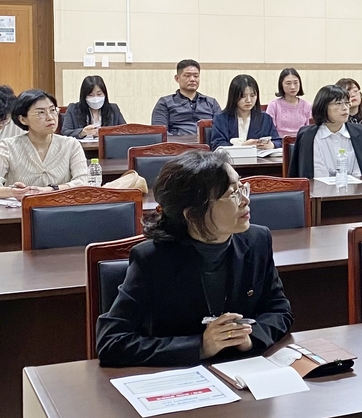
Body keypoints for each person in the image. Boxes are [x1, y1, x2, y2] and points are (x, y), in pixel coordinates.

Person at [96, 150, 293, 367]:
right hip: (183, 378)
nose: (245, 200)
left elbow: (279, 309)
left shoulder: (257, 240)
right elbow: (111, 342)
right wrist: (200, 346)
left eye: (242, 188)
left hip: (242, 373)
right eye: (232, 194)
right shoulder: (152, 259)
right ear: (192, 214)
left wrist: (250, 338)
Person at [0, 89, 88, 200]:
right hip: (21, 213)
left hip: (62, 211)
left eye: (52, 110)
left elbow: (82, 182)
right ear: (23, 119)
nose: (50, 117)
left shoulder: (71, 145)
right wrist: (12, 192)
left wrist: (51, 190)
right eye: (41, 112)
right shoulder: (7, 147)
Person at [288, 85, 362, 179]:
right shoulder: (307, 136)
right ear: (323, 107)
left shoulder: (361, 133)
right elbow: (313, 176)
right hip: (318, 191)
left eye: (346, 103)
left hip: (358, 191)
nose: (345, 108)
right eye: (338, 103)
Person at [151, 59, 222, 135]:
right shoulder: (165, 102)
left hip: (207, 144)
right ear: (177, 78)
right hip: (177, 145)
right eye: (187, 76)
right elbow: (159, 132)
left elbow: (222, 128)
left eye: (196, 76)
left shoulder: (211, 103)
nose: (192, 79)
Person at [211, 74, 281, 150]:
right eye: (243, 96)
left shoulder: (265, 119)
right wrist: (242, 146)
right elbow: (217, 145)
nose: (249, 100)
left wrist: (272, 145)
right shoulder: (221, 118)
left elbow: (278, 141)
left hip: (258, 161)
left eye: (252, 95)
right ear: (234, 96)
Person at [61, 75, 126, 139]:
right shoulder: (73, 109)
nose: (95, 98)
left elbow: (125, 131)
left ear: (105, 94)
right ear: (84, 96)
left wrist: (105, 132)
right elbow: (65, 132)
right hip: (83, 148)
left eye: (99, 94)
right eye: (90, 95)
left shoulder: (113, 109)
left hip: (108, 148)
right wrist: (82, 132)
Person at [265, 68, 312, 138]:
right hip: (279, 144)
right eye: (288, 83)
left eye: (296, 83)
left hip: (301, 143)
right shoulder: (274, 105)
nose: (293, 87)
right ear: (281, 85)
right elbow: (269, 130)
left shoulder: (307, 106)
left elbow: (309, 130)